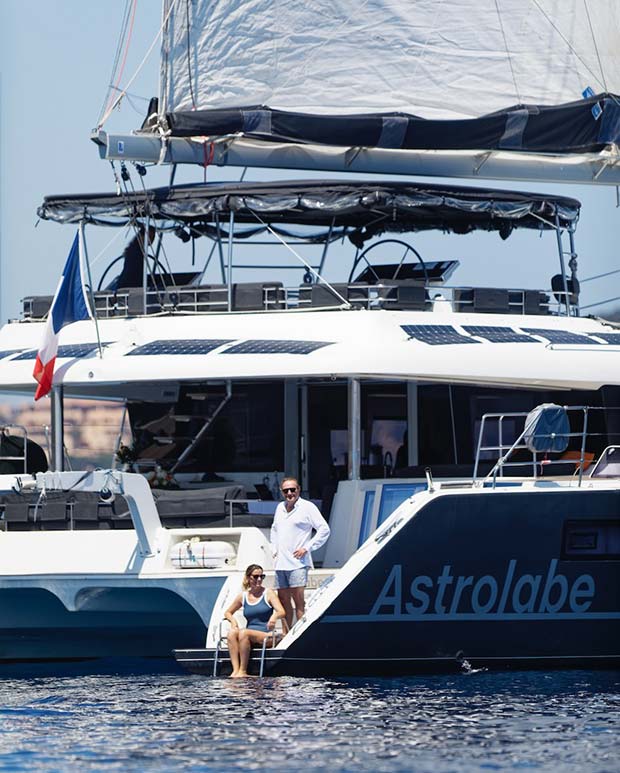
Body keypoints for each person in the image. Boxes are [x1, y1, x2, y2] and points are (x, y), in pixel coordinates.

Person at [270, 477, 330, 629]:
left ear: (299, 489)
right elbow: (274, 529)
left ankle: (300, 634)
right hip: (280, 563)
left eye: (293, 489)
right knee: (283, 601)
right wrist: (274, 550)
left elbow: (324, 529)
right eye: (286, 490)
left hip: (298, 563)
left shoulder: (307, 507)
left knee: (299, 602)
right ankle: (286, 635)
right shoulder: (279, 508)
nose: (290, 493)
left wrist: (307, 547)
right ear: (282, 492)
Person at [223, 564, 285, 678]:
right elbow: (227, 612)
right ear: (248, 578)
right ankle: (235, 670)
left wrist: (273, 617)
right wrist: (233, 622)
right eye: (256, 576)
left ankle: (243, 670)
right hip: (248, 635)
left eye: (262, 576)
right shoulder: (243, 596)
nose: (259, 579)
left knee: (243, 632)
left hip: (267, 635)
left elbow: (281, 611)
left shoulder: (268, 593)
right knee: (232, 633)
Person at [114, 223, 156, 290]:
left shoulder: (137, 249)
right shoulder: (135, 251)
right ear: (142, 236)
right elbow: (131, 272)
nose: (152, 240)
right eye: (150, 236)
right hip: (130, 285)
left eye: (153, 237)